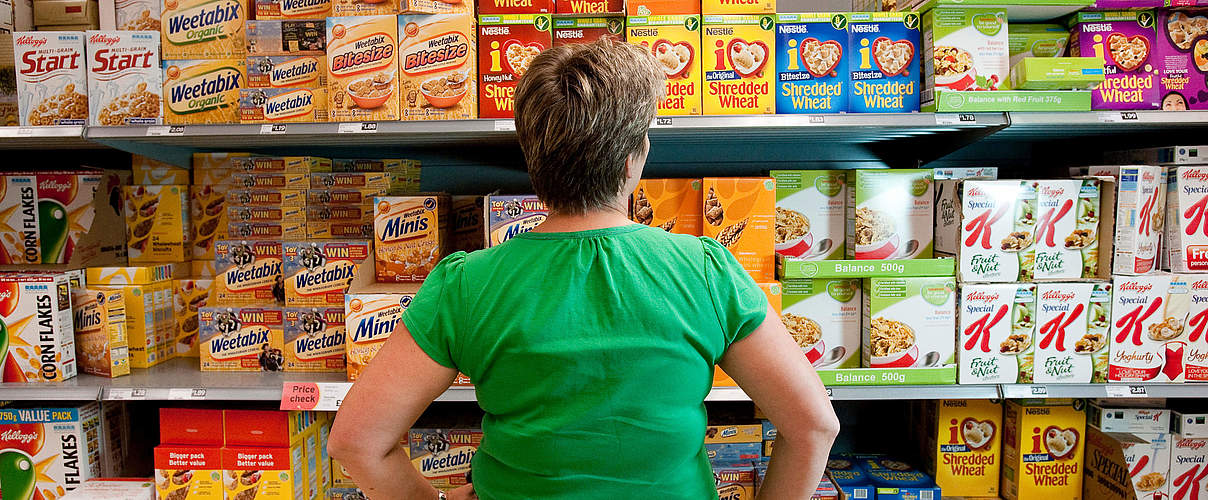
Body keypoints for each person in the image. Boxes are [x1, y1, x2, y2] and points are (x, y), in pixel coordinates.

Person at [327, 38, 839, 500]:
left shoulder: (466, 284)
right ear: (634, 159)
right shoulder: (705, 271)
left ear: (533, 159)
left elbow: (357, 442)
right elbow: (814, 427)